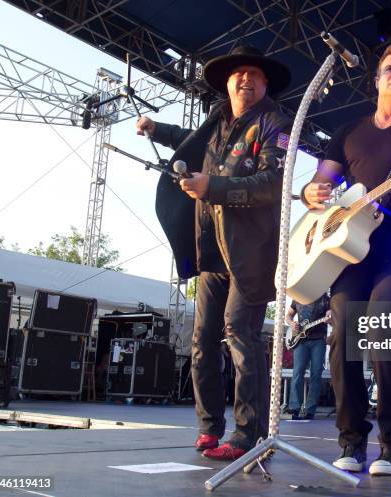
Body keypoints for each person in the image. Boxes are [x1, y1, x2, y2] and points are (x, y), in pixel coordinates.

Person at [300, 42, 391, 476]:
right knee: (342, 335)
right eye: (389, 68)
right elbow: (320, 183)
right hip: (349, 249)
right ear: (377, 80)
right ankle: (350, 441)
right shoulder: (348, 131)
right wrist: (312, 192)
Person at [136, 46, 292, 460]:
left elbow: (273, 181)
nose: (245, 79)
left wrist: (214, 189)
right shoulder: (217, 121)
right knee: (203, 341)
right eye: (238, 73)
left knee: (240, 334)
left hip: (252, 252)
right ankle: (209, 427)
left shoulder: (274, 122)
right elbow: (186, 141)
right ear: (227, 82)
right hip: (211, 250)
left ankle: (249, 433)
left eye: (254, 74)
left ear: (265, 84)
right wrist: (155, 129)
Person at [284, 294, 331, 420]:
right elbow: (288, 316)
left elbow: (330, 316)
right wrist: (292, 323)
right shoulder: (298, 296)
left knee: (316, 374)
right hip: (300, 341)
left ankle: (310, 410)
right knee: (297, 373)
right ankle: (294, 408)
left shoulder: (325, 298)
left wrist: (329, 318)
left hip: (319, 340)